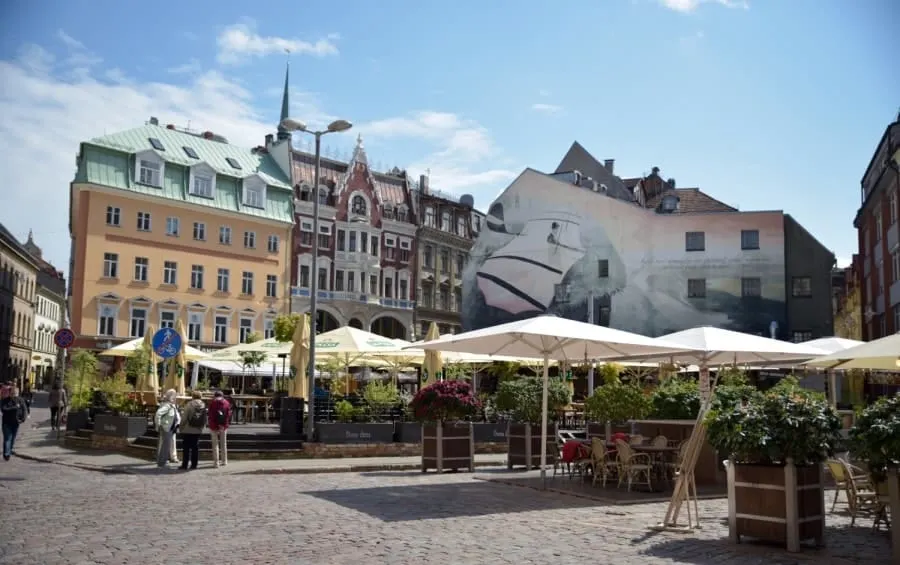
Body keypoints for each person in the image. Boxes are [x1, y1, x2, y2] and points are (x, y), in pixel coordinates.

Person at [153, 389, 180, 469]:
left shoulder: (172, 405)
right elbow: (158, 414)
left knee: (166, 445)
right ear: (171, 397)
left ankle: (162, 462)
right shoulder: (167, 405)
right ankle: (162, 463)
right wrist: (159, 425)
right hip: (166, 428)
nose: (175, 398)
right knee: (165, 446)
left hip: (171, 428)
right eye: (174, 396)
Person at [179, 391, 206, 471]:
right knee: (195, 448)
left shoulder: (189, 405)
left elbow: (184, 417)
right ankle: (194, 465)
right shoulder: (203, 405)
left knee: (186, 448)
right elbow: (205, 418)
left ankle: (185, 465)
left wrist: (181, 427)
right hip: (198, 429)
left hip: (188, 429)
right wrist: (202, 428)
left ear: (192, 396)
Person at [1, 387, 28, 461]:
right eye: (13, 393)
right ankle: (7, 454)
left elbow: (24, 409)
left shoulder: (20, 400)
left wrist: (23, 418)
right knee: (7, 439)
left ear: (18, 393)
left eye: (16, 393)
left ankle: (8, 451)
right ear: (10, 393)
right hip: (6, 423)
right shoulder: (5, 400)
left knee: (12, 439)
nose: (14, 395)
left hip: (16, 423)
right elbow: (4, 409)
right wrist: (15, 408)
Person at [207, 390, 231, 468]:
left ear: (215, 396)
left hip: (214, 426)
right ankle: (224, 461)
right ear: (222, 396)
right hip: (223, 426)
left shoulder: (212, 403)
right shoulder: (227, 403)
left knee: (215, 444)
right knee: (223, 443)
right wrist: (224, 425)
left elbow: (210, 414)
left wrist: (212, 424)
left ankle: (216, 462)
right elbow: (228, 415)